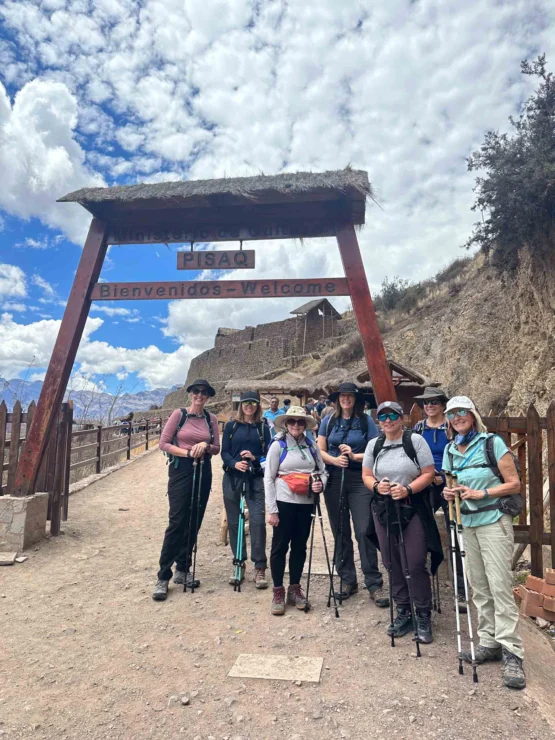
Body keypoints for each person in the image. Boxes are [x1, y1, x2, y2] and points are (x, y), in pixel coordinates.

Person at [442, 396, 525, 690]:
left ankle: (512, 652)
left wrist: (483, 493)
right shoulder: (451, 449)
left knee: (500, 584)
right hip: (467, 524)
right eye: (452, 414)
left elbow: (514, 484)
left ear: (473, 414)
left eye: (462, 412)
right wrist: (449, 494)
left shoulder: (492, 444)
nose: (457, 417)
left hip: (494, 521)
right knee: (478, 585)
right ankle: (489, 641)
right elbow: (449, 484)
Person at [362, 401, 442, 643]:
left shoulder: (414, 441)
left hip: (412, 506)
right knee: (391, 560)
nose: (387, 420)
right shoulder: (374, 444)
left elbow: (429, 473)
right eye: (383, 416)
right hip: (383, 509)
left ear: (401, 418)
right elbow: (366, 474)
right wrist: (377, 486)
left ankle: (423, 613)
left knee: (415, 560)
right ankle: (404, 610)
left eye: (392, 415)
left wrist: (407, 489)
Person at [317, 382, 387, 606]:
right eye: (342, 396)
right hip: (335, 478)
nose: (346, 399)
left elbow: (375, 448)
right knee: (340, 529)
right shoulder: (328, 421)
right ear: (337, 399)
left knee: (363, 529)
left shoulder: (366, 421)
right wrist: (336, 459)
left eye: (350, 396)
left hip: (359, 478)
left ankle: (373, 582)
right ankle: (347, 579)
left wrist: (355, 456)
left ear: (355, 399)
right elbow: (320, 450)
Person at [153, 379, 220, 601]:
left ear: (208, 396)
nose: (199, 395)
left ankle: (183, 568)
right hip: (181, 469)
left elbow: (216, 448)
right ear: (190, 393)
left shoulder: (211, 419)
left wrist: (206, 447)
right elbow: (163, 443)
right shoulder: (179, 415)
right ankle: (164, 574)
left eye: (204, 392)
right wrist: (189, 452)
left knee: (194, 520)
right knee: (177, 520)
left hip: (203, 470)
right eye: (196, 391)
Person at [265, 406, 327, 615]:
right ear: (286, 423)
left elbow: (321, 471)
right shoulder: (278, 445)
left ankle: (294, 587)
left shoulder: (312, 445)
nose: (296, 425)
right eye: (292, 421)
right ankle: (278, 590)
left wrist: (320, 483)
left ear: (305, 425)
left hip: (306, 502)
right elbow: (269, 478)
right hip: (284, 501)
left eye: (300, 422)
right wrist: (272, 509)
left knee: (300, 545)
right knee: (280, 545)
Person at [413, 387, 465, 611]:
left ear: (443, 404)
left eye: (434, 401)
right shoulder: (418, 427)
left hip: (450, 484)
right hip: (425, 482)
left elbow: (460, 454)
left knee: (455, 531)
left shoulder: (451, 427)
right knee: (420, 527)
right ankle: (422, 581)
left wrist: (442, 476)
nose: (429, 405)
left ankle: (461, 588)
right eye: (426, 402)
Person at [221, 390, 271, 589]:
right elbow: (224, 452)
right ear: (240, 405)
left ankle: (260, 567)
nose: (249, 406)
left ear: (257, 405)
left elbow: (269, 454)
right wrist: (235, 464)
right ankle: (238, 563)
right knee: (235, 522)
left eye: (253, 402)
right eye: (245, 403)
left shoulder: (263, 427)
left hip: (255, 479)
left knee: (258, 521)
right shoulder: (231, 426)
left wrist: (254, 459)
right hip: (233, 477)